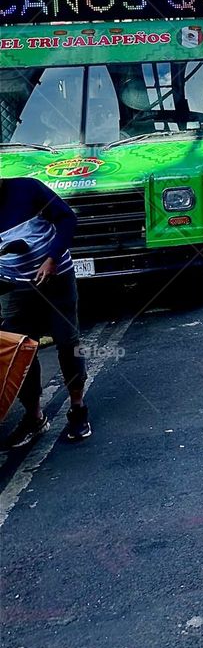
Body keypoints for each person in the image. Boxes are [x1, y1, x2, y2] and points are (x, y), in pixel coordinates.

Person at [0, 177, 90, 448]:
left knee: (67, 343)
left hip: (56, 277)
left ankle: (78, 409)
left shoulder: (28, 188)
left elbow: (67, 218)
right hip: (14, 284)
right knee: (21, 349)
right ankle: (34, 417)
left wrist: (52, 258)